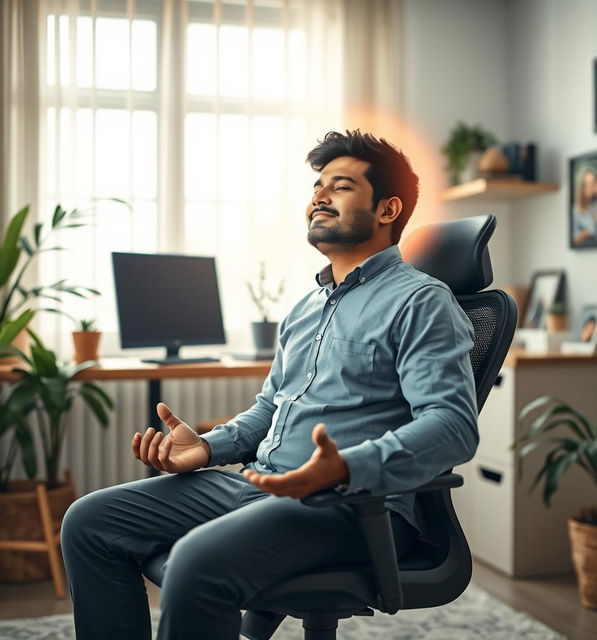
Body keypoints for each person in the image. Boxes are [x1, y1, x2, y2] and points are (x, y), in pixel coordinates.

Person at [61, 130, 478, 640]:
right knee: (88, 520)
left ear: (388, 209)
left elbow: (453, 427)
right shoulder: (305, 309)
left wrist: (346, 466)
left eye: (340, 186)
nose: (318, 197)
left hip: (348, 506)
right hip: (256, 484)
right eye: (317, 186)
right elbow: (267, 411)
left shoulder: (421, 301)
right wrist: (207, 448)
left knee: (196, 562)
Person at [571, 167, 597, 246]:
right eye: (587, 184)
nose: (591, 188)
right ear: (581, 187)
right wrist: (586, 233)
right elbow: (573, 240)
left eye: (593, 184)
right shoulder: (575, 212)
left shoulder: (596, 206)